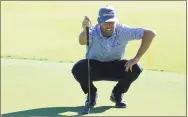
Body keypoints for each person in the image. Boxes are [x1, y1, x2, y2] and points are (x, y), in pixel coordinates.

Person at [72, 5, 156, 108]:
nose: (109, 26)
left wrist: (136, 58)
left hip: (115, 66)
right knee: (78, 68)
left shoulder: (122, 30)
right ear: (99, 21)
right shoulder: (92, 30)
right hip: (94, 67)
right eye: (106, 23)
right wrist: (85, 30)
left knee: (136, 67)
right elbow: (82, 41)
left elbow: (150, 34)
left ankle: (117, 94)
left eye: (112, 22)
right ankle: (92, 94)